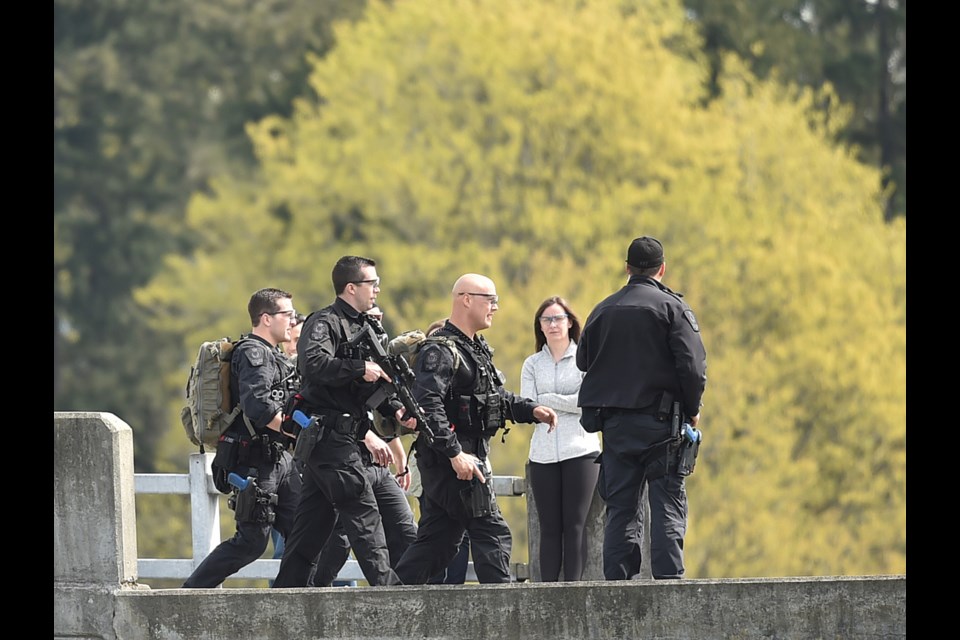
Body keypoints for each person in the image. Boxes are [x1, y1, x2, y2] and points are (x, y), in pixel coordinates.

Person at [393, 274, 559, 584]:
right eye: (490, 300)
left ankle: (382, 606)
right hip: (453, 461)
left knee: (437, 543)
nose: (495, 307)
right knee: (492, 534)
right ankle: (504, 616)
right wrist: (456, 453)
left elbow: (492, 398)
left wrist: (530, 410)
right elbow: (427, 405)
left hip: (465, 458)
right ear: (465, 299)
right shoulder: (439, 350)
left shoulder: (475, 348)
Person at [272, 256, 415, 588]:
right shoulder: (325, 322)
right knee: (366, 522)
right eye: (371, 283)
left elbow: (376, 383)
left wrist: (396, 409)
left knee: (308, 535)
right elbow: (312, 364)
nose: (377, 289)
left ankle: (283, 603)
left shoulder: (366, 326)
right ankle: (393, 598)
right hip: (330, 438)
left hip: (345, 440)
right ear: (351, 288)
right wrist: (358, 368)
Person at [576, 236, 707, 581]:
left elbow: (582, 361)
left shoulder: (602, 309)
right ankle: (668, 585)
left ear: (627, 269)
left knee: (620, 510)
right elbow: (692, 366)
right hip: (662, 425)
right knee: (666, 505)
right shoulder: (673, 308)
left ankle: (618, 586)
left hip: (616, 427)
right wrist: (693, 409)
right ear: (662, 269)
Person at [182, 288, 301, 588]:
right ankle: (189, 595)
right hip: (254, 461)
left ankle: (296, 599)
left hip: (280, 461)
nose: (292, 320)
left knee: (306, 531)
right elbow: (258, 406)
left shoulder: (275, 355)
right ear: (265, 318)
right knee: (252, 541)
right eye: (287, 314)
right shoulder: (253, 353)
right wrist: (293, 430)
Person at [308, 305, 418, 587]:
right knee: (340, 539)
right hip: (342, 453)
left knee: (405, 530)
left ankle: (408, 594)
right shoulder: (337, 350)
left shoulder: (373, 354)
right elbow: (330, 402)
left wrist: (397, 441)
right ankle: (311, 593)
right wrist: (367, 436)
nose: (375, 322)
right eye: (370, 316)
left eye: (379, 317)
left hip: (374, 463)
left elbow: (370, 404)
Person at [520, 296, 600, 582]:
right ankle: (548, 590)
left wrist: (549, 401)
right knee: (549, 528)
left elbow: (587, 402)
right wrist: (539, 406)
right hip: (542, 454)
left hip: (581, 450)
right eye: (546, 319)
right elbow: (528, 406)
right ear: (539, 327)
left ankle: (573, 589)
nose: (553, 324)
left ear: (570, 322)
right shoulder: (531, 364)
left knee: (575, 525)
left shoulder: (585, 359)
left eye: (558, 318)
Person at [269, 312, 307, 580]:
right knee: (284, 547)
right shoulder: (278, 376)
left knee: (335, 545)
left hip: (318, 469)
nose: (295, 346)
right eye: (291, 340)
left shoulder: (315, 373)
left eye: (301, 340)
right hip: (286, 471)